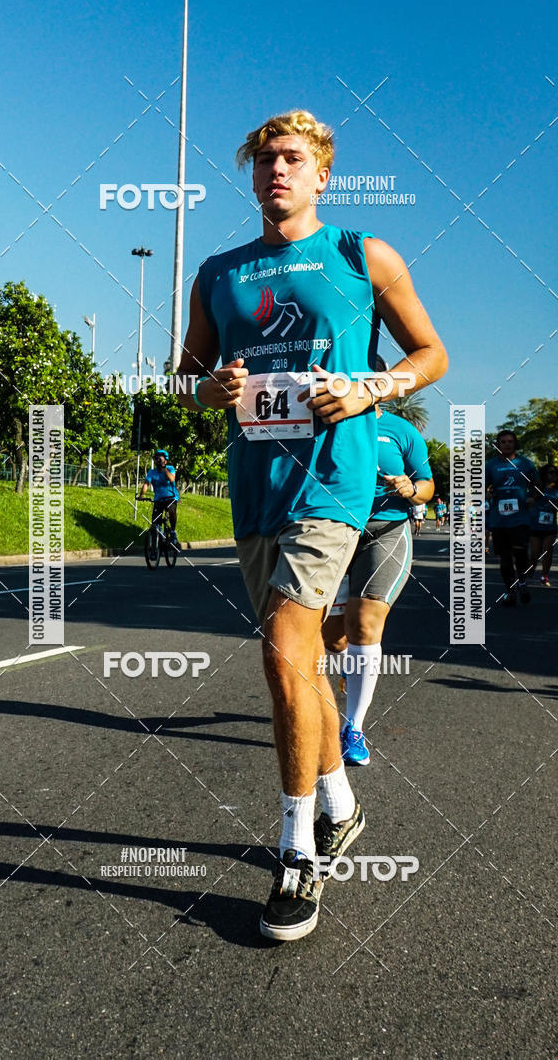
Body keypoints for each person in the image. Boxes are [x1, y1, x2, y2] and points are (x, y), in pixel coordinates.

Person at [176, 109, 448, 942]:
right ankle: (340, 802)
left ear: (323, 171)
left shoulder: (362, 256)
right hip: (254, 490)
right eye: (263, 161)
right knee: (300, 664)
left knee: (283, 651)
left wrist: (372, 388)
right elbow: (184, 372)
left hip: (334, 485)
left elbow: (431, 353)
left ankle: (297, 851)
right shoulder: (219, 273)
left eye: (291, 158)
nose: (275, 172)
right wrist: (208, 390)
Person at [322, 402, 434, 765]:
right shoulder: (321, 421)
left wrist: (410, 488)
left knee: (365, 624)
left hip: (386, 530)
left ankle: (353, 727)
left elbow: (427, 486)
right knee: (334, 637)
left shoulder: (402, 431)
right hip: (335, 531)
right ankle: (350, 670)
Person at [486, 430, 537, 606]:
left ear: (515, 444)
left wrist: (531, 497)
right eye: (503, 442)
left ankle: (522, 582)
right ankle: (511, 591)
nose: (507, 444)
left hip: (520, 518)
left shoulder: (525, 464)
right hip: (499, 519)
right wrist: (486, 495)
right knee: (505, 558)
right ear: (498, 445)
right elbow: (480, 486)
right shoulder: (491, 465)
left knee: (520, 553)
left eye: (510, 441)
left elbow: (537, 486)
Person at [138, 449, 180, 552]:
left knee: (171, 510)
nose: (158, 461)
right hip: (159, 499)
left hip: (171, 497)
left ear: (165, 461)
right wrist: (141, 495)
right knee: (155, 523)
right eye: (156, 459)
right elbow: (146, 484)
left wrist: (164, 468)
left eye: (160, 459)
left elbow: (172, 479)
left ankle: (173, 532)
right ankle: (155, 547)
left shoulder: (170, 468)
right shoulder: (152, 472)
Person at [528, 463, 557, 586]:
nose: (554, 475)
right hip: (535, 525)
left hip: (550, 526)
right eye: (551, 472)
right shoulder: (537, 487)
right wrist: (534, 498)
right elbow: (528, 501)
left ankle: (544, 576)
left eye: (555, 472)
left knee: (547, 550)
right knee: (535, 553)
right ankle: (531, 567)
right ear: (545, 474)